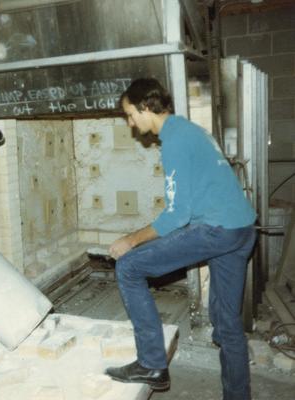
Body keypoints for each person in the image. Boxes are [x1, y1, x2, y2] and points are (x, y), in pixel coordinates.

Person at [105, 78, 256, 400]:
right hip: (242, 229)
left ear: (146, 107)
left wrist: (131, 240)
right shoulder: (191, 130)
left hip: (217, 230)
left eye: (130, 114)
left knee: (129, 268)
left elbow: (177, 216)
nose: (130, 123)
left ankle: (151, 364)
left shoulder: (174, 138)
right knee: (227, 324)